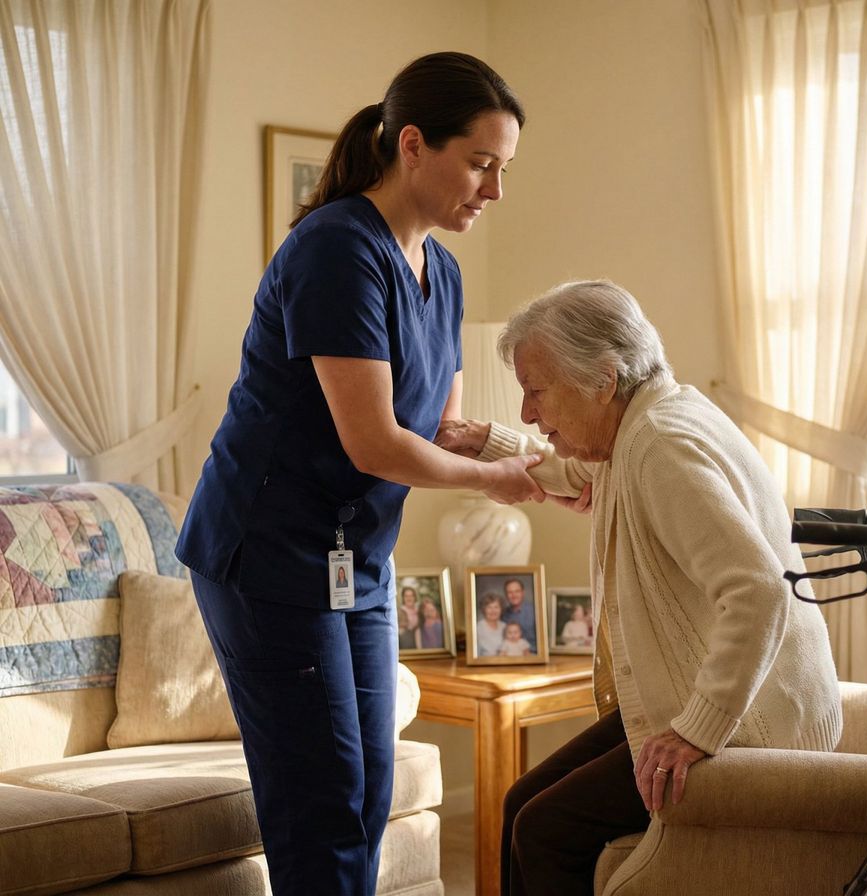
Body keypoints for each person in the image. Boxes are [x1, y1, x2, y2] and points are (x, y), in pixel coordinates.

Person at [174, 52, 545, 896]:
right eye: (481, 164)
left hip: (357, 564)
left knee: (371, 788)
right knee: (325, 802)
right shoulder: (337, 249)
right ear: (413, 145)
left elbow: (442, 425)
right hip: (266, 556)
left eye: (503, 168)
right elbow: (375, 443)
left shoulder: (441, 271)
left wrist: (534, 460)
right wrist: (498, 485)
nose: (493, 190)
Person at [436, 280, 842, 896]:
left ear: (602, 378)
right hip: (712, 698)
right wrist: (491, 443)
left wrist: (696, 730)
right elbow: (582, 471)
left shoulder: (662, 448)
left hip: (748, 724)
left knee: (544, 829)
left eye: (535, 391)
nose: (527, 412)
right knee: (523, 800)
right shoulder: (647, 420)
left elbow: (758, 590)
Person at [501, 577, 537, 646]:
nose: (514, 595)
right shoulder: (503, 614)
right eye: (510, 592)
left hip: (532, 653)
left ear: (523, 593)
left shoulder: (535, 611)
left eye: (517, 591)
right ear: (506, 595)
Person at [475, 592, 507, 656]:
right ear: (484, 609)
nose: (493, 610)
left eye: (496, 607)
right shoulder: (477, 628)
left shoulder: (505, 626)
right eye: (489, 607)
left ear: (501, 609)